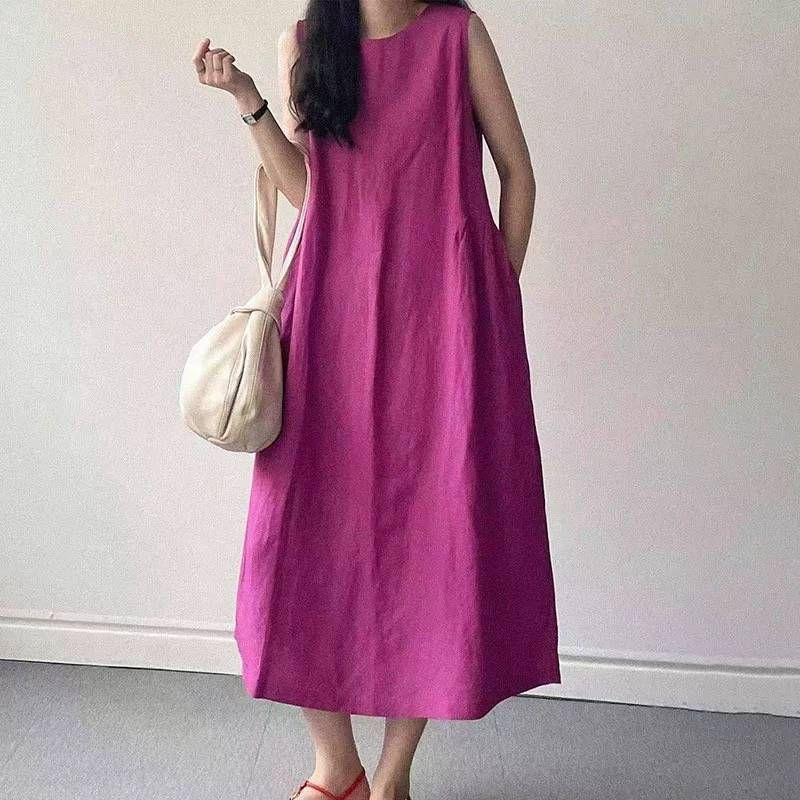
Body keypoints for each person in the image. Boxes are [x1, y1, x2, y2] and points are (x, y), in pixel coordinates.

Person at [191, 3, 561, 799]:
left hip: (445, 329)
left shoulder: (456, 35)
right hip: (331, 317)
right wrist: (250, 101)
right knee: (297, 535)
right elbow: (310, 191)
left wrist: (493, 298)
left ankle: (391, 779)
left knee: (435, 541)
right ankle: (337, 768)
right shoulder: (305, 42)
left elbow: (518, 173)